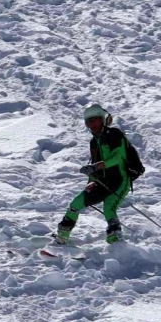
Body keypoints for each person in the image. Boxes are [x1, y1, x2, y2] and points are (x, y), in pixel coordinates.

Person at [55, 103, 131, 245]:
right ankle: (62, 237)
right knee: (75, 204)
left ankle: (116, 239)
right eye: (89, 122)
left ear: (102, 120)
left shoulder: (115, 134)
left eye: (95, 120)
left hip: (120, 180)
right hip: (102, 181)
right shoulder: (94, 142)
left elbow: (118, 157)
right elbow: (95, 166)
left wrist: (96, 166)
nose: (92, 124)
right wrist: (91, 180)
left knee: (109, 208)